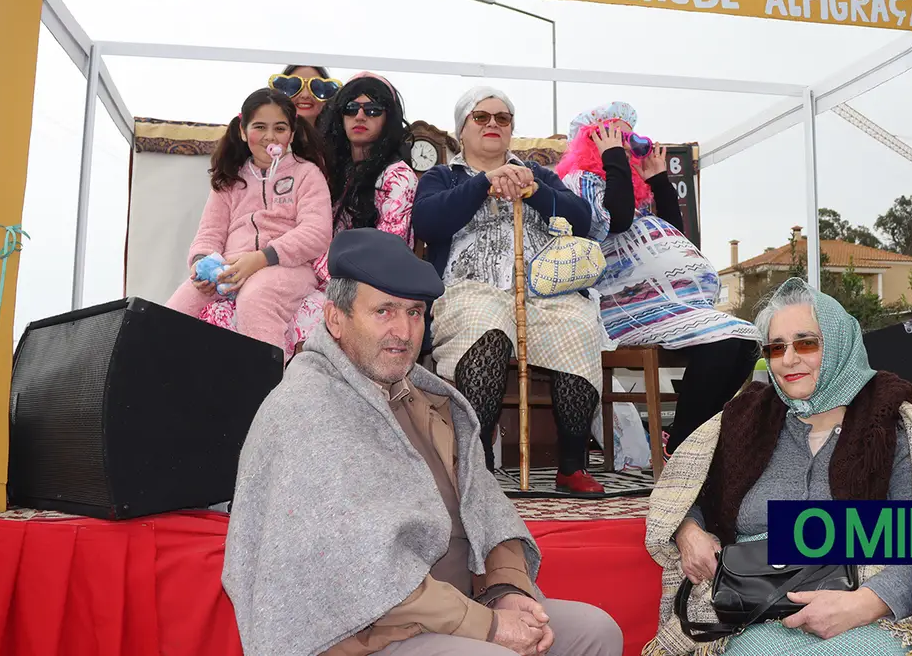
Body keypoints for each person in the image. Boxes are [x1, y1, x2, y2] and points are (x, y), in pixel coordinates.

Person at [222, 228, 623, 656]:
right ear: (335, 319)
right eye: (384, 311)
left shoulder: (429, 398)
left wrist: (507, 589)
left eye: (414, 313)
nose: (403, 330)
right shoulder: (307, 407)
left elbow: (486, 507)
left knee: (596, 633)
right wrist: (488, 626)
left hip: (461, 604)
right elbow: (363, 571)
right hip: (367, 629)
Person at [642, 278, 912, 656]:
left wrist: (864, 604)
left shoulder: (891, 424)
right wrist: (689, 531)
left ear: (837, 344)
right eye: (776, 347)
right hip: (752, 609)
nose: (788, 359)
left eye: (805, 343)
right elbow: (685, 492)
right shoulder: (742, 421)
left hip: (873, 605)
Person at [412, 87, 607, 495]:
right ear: (462, 130)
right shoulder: (444, 176)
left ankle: (571, 465)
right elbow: (428, 224)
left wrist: (536, 193)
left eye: (502, 118)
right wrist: (483, 183)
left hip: (545, 294)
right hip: (470, 290)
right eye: (481, 117)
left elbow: (582, 220)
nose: (493, 124)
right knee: (483, 326)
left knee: (578, 325)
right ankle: (478, 464)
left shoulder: (541, 176)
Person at [557, 102, 761, 457]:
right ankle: (685, 445)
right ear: (594, 139)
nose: (624, 143)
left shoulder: (630, 187)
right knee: (722, 342)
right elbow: (616, 221)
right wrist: (616, 160)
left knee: (742, 342)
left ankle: (687, 439)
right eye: (614, 135)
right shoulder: (580, 182)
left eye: (627, 136)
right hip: (621, 306)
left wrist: (657, 180)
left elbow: (672, 236)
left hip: (674, 305)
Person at [165, 87, 332, 352]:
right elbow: (209, 234)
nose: (269, 137)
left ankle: (266, 386)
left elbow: (317, 232)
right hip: (230, 268)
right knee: (170, 314)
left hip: (288, 267)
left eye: (279, 128)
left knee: (257, 297)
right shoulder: (230, 179)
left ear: (292, 133)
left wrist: (261, 258)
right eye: (259, 127)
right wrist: (202, 265)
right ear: (243, 131)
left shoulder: (307, 173)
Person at [295, 71, 418, 342]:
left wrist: (317, 268)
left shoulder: (397, 175)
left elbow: (385, 254)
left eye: (373, 110)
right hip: (317, 282)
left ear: (388, 119)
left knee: (300, 314)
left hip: (370, 292)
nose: (360, 117)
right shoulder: (328, 171)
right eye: (351, 109)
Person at [269, 64, 341, 127]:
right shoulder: (266, 138)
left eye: (316, 88)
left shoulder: (341, 140)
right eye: (294, 87)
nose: (305, 95)